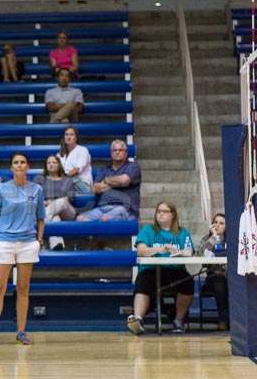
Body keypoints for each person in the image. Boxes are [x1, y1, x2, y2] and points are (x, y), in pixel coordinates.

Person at [0, 153, 45, 347]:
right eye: (16, 163)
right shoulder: (1, 189)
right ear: (11, 168)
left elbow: (41, 217)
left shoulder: (37, 189)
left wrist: (39, 240)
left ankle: (21, 332)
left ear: (28, 166)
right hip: (5, 242)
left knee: (23, 289)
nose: (19, 165)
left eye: (22, 162)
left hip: (27, 243)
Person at [126, 202, 194, 335]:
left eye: (164, 211)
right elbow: (141, 250)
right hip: (151, 270)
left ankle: (178, 320)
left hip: (174, 270)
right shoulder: (148, 230)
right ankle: (138, 320)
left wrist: (179, 251)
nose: (160, 214)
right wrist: (159, 249)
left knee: (188, 281)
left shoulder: (182, 232)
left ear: (172, 215)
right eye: (158, 211)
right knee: (143, 281)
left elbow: (189, 251)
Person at [78, 139, 140, 222]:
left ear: (126, 153)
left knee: (105, 219)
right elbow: (95, 189)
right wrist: (117, 183)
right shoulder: (104, 170)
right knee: (80, 218)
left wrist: (106, 180)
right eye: (114, 150)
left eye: (120, 150)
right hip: (103, 208)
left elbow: (124, 181)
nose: (117, 152)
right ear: (111, 153)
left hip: (125, 208)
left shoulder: (133, 167)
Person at [34, 155, 77, 250]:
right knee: (55, 218)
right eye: (48, 163)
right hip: (47, 208)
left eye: (54, 162)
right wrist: (44, 202)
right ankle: (57, 246)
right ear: (45, 166)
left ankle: (38, 231)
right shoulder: (40, 179)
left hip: (67, 210)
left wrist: (53, 202)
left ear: (59, 165)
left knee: (61, 201)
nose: (51, 164)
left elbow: (71, 197)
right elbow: (35, 196)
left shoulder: (67, 180)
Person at [197, 213, 228, 330]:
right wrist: (214, 237)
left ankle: (227, 319)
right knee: (219, 282)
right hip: (213, 277)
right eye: (215, 222)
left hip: (230, 276)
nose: (217, 225)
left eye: (221, 223)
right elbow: (203, 256)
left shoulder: (233, 239)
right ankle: (224, 320)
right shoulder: (206, 240)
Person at [56, 126, 92, 193]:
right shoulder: (59, 154)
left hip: (82, 185)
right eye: (66, 134)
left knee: (72, 179)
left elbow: (76, 170)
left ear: (76, 138)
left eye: (72, 134)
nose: (69, 137)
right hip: (66, 185)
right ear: (64, 137)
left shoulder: (82, 150)